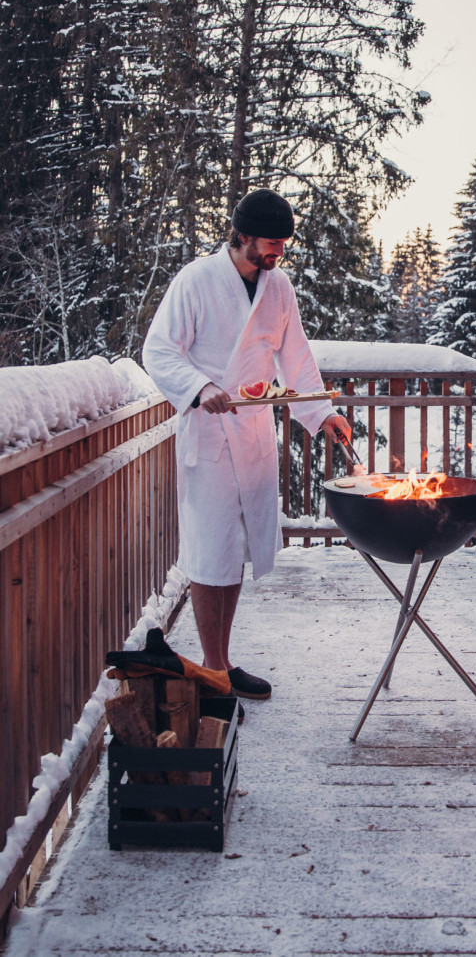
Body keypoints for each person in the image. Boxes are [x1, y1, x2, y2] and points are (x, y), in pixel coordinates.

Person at [143, 188, 355, 701]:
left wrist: (321, 413)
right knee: (208, 549)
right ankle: (215, 669)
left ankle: (220, 663)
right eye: (271, 243)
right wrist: (200, 388)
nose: (278, 252)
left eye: (284, 243)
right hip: (210, 432)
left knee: (234, 549)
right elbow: (158, 351)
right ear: (241, 236)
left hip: (254, 432)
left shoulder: (278, 288)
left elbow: (296, 356)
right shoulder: (195, 281)